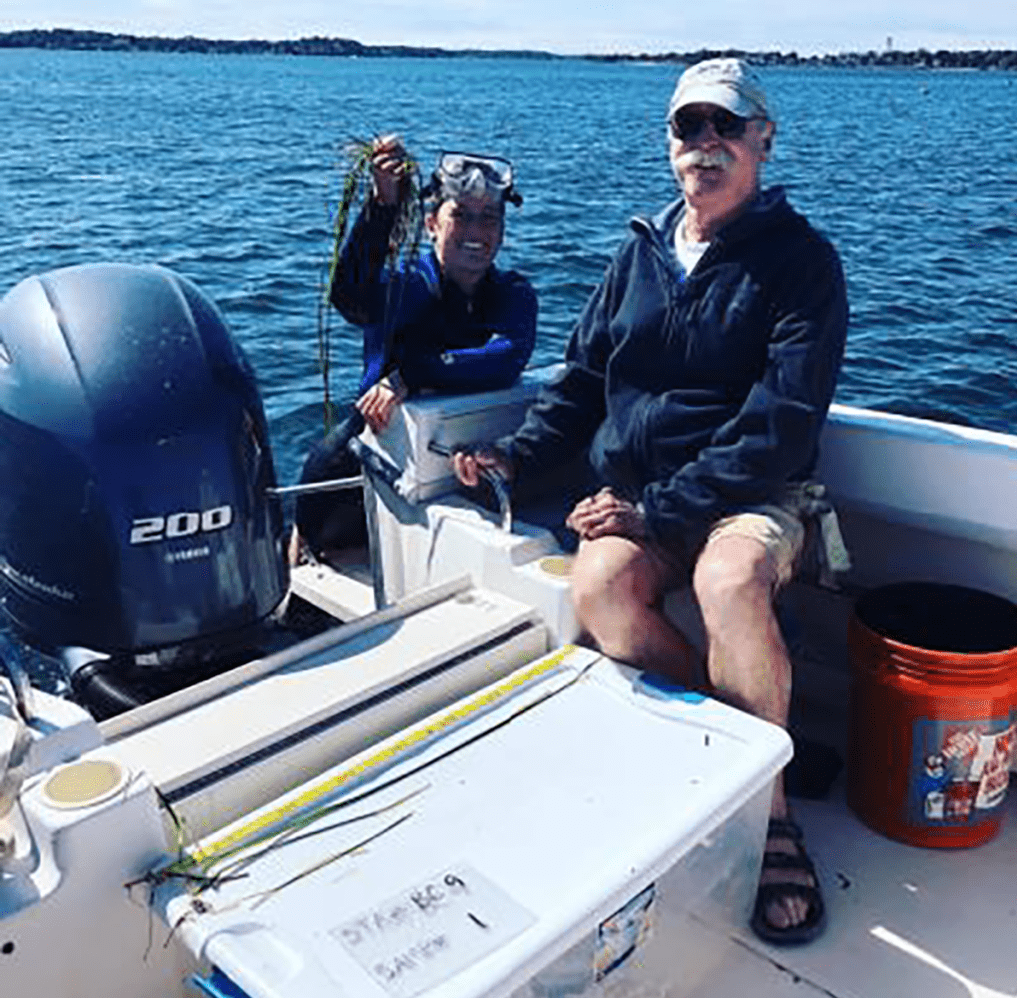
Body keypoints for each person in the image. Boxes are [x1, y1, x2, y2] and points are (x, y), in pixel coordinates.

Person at [454, 59, 848, 946]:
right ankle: (740, 751)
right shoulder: (636, 255)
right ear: (669, 147)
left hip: (757, 493)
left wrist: (655, 509)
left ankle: (771, 812)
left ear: (761, 142)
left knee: (730, 578)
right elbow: (584, 381)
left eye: (724, 127)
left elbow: (780, 427)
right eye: (687, 128)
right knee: (599, 590)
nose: (703, 145)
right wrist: (512, 456)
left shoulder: (802, 263)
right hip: (645, 496)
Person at [294, 138, 538, 559]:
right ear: (431, 224)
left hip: (459, 467)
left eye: (489, 219)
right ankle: (299, 550)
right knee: (322, 544)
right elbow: (351, 296)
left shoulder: (512, 292)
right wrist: (383, 202)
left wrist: (413, 373)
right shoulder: (407, 285)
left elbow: (508, 357)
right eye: (460, 216)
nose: (476, 232)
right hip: (362, 467)